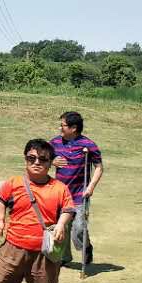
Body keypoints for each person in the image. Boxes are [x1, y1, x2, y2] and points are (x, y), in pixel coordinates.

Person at [0, 138, 76, 283]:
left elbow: (68, 208)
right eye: (32, 158)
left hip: (45, 246)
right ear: (25, 160)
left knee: (44, 281)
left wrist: (61, 225)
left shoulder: (59, 188)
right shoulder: (14, 183)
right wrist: (0, 219)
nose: (37, 162)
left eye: (43, 159)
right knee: (3, 278)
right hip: (14, 243)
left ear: (50, 162)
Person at [50, 111, 104, 268]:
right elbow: (43, 158)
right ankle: (65, 257)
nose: (60, 127)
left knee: (79, 228)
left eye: (63, 125)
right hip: (60, 194)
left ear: (73, 128)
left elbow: (99, 167)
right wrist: (53, 161)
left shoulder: (88, 145)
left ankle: (86, 247)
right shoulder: (54, 143)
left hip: (80, 194)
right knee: (62, 227)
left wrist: (91, 186)